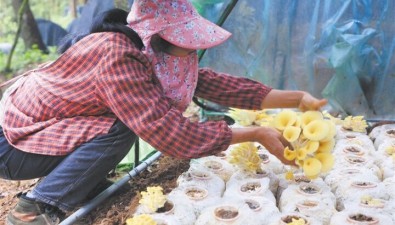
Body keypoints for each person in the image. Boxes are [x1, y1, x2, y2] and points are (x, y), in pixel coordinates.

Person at [0, 0, 327, 224]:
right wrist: (257, 133)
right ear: (156, 37)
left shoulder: (155, 56)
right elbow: (172, 135)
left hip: (46, 131)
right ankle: (33, 207)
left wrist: (299, 99)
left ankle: (80, 183)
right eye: (187, 39)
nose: (194, 48)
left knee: (121, 122)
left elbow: (220, 85)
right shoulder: (118, 57)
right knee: (122, 126)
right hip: (13, 143)